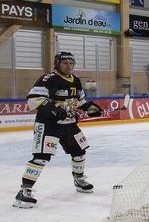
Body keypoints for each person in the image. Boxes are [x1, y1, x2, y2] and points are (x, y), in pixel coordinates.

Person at [13, 52, 103, 208]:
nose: (68, 65)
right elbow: (34, 99)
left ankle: (79, 180)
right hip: (49, 125)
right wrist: (54, 110)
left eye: (71, 62)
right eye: (65, 62)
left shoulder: (75, 80)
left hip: (69, 124)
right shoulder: (48, 79)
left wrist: (90, 107)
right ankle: (24, 191)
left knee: (79, 152)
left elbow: (79, 102)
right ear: (57, 64)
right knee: (41, 158)